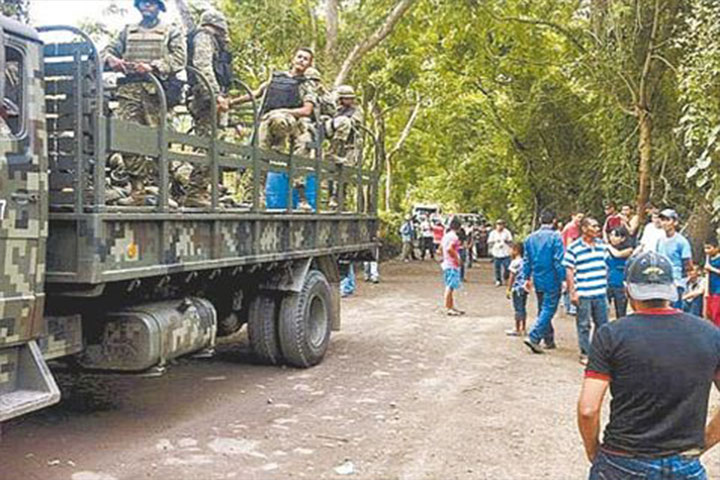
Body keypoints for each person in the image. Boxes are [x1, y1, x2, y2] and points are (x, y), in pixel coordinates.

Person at [577, 250, 720, 480]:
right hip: (685, 463)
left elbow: (588, 410)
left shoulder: (611, 335)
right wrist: (703, 443)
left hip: (622, 459)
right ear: (672, 290)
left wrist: (594, 452)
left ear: (628, 291)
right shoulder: (710, 334)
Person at [103, 0, 187, 206]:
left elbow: (179, 58)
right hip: (129, 90)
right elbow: (106, 50)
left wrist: (153, 66)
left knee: (159, 142)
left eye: (152, 3)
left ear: (159, 7)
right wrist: (111, 59)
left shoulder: (171, 31)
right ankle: (137, 191)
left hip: (156, 93)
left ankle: (164, 192)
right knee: (126, 138)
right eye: (143, 2)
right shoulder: (127, 31)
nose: (147, 6)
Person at [232, 47, 317, 210]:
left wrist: (283, 111)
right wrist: (231, 102)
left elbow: (307, 110)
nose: (301, 60)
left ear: (309, 64)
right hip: (267, 120)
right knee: (260, 155)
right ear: (293, 59)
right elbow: (256, 94)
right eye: (299, 57)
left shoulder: (306, 85)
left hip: (290, 122)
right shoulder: (276, 78)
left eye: (305, 59)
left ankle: (301, 197)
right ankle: (256, 197)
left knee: (299, 152)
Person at [181, 9, 232, 208]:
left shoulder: (213, 41)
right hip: (206, 99)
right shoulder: (204, 37)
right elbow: (202, 66)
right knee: (206, 144)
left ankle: (202, 189)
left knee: (213, 144)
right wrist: (216, 94)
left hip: (211, 98)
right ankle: (195, 192)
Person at [565, 217, 609, 365]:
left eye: (597, 226)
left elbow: (607, 264)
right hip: (583, 292)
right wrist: (572, 292)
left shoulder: (602, 246)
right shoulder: (574, 248)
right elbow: (569, 271)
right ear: (584, 229)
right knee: (584, 325)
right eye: (594, 226)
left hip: (600, 291)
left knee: (602, 324)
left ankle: (597, 352)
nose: (597, 229)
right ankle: (585, 352)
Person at [523, 209, 565, 353]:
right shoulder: (555, 237)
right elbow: (558, 260)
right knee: (548, 309)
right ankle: (534, 336)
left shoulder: (530, 238)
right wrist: (563, 278)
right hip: (552, 278)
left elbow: (526, 260)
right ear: (554, 221)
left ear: (540, 220)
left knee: (543, 308)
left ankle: (549, 339)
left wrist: (526, 277)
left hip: (538, 277)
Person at [657, 209, 693, 309]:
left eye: (667, 220)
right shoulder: (660, 241)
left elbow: (688, 264)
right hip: (662, 282)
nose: (664, 223)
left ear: (675, 222)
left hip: (676, 283)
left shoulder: (681, 242)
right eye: (662, 220)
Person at [326, 85, 364, 165]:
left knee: (348, 166)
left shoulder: (357, 109)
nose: (349, 101)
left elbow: (356, 121)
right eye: (346, 99)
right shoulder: (337, 110)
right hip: (336, 140)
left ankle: (333, 152)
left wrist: (344, 121)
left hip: (350, 144)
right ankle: (332, 152)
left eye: (351, 98)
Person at [606, 226, 633, 319]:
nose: (612, 238)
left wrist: (608, 246)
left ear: (623, 238)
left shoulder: (628, 249)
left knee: (621, 313)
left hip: (621, 284)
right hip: (608, 283)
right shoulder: (608, 250)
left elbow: (617, 254)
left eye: (616, 236)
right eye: (611, 235)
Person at [561, 211, 584, 316]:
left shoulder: (573, 227)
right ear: (573, 216)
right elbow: (569, 244)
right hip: (569, 258)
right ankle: (572, 307)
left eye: (582, 217)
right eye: (578, 217)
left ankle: (568, 305)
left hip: (565, 257)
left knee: (567, 282)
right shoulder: (572, 228)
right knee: (572, 281)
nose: (580, 219)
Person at [442, 217, 464, 316]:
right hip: (451, 264)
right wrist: (457, 259)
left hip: (447, 263)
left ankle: (451, 306)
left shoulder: (446, 236)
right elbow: (450, 249)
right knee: (450, 287)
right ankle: (448, 307)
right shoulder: (454, 237)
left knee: (450, 286)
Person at [506, 242, 527, 337]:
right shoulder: (525, 261)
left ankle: (517, 328)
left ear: (516, 251)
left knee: (517, 309)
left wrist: (508, 289)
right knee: (523, 307)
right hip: (524, 288)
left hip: (517, 288)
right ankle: (523, 328)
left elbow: (512, 276)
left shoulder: (515, 262)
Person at [488, 219, 513, 286]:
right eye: (498, 224)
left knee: (507, 266)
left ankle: (506, 277)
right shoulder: (493, 233)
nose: (500, 226)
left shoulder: (507, 232)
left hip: (505, 252)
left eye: (501, 224)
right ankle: (498, 280)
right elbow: (490, 242)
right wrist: (491, 248)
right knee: (497, 267)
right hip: (496, 252)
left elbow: (510, 241)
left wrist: (506, 242)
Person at [703, 239, 720, 326]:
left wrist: (711, 269)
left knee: (716, 314)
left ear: (717, 248)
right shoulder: (709, 259)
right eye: (705, 248)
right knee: (709, 314)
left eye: (709, 248)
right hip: (710, 290)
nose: (706, 251)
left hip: (718, 290)